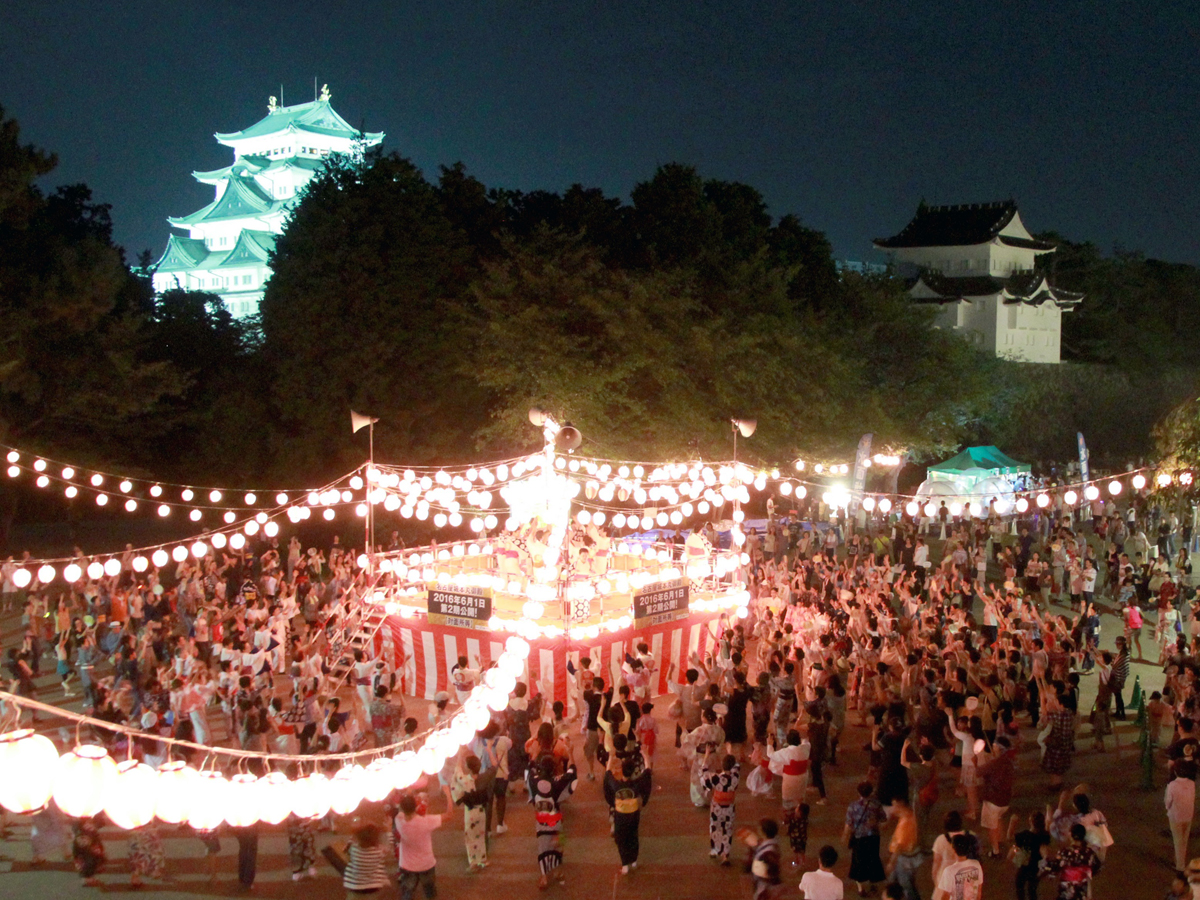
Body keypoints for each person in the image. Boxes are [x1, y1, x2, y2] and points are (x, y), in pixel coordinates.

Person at [527, 756, 578, 889]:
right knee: (559, 844)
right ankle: (557, 871)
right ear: (553, 769)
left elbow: (529, 770)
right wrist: (571, 758)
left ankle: (544, 877)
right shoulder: (557, 783)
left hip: (541, 821)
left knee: (543, 848)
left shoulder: (533, 781)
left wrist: (533, 760)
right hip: (556, 820)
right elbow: (570, 775)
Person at [604, 757, 652, 875]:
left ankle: (625, 864)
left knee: (621, 839)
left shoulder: (616, 785)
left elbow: (607, 773)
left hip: (620, 816)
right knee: (633, 836)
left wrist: (610, 757)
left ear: (622, 769)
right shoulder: (636, 784)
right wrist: (646, 755)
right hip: (634, 814)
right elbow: (647, 772)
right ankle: (634, 860)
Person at [395, 792, 442, 900]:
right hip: (426, 864)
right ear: (415, 806)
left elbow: (401, 812)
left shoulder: (399, 820)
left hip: (407, 865)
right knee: (430, 891)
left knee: (407, 892)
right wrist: (448, 795)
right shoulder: (426, 821)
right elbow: (449, 815)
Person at [843, 781, 886, 896]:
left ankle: (861, 888)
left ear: (859, 792)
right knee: (873, 859)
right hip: (873, 837)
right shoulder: (876, 804)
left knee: (858, 862)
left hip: (859, 838)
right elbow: (883, 820)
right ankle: (873, 884)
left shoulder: (853, 806)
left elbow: (849, 824)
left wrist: (845, 836)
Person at [451, 753, 489, 872]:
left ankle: (473, 862)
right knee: (481, 835)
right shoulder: (483, 779)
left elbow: (457, 774)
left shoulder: (466, 780)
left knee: (470, 837)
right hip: (482, 810)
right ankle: (482, 859)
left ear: (468, 767)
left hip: (471, 812)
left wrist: (459, 758)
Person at [701, 751, 741, 864]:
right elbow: (737, 767)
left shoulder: (716, 778)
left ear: (722, 765)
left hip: (716, 808)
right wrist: (731, 755)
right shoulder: (735, 778)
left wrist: (706, 755)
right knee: (727, 830)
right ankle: (725, 855)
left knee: (715, 827)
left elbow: (704, 771)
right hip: (729, 808)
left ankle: (716, 850)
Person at [1042, 823, 1101, 900]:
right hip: (1081, 890)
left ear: (1071, 835)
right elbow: (1096, 867)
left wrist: (1045, 858)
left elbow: (1054, 867)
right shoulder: (1089, 853)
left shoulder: (1065, 852)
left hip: (1066, 891)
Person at [885, 796, 923, 900]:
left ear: (900, 804)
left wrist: (891, 862)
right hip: (906, 858)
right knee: (894, 882)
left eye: (894, 805)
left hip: (904, 859)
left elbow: (900, 845)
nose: (893, 808)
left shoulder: (906, 822)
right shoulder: (909, 816)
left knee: (905, 886)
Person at [1009, 811, 1051, 900]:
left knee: (1019, 886)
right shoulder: (1044, 835)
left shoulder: (1024, 835)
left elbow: (1009, 837)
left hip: (1024, 866)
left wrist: (1012, 823)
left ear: (1031, 821)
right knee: (1032, 890)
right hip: (1036, 867)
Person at [343, 822, 389, 898]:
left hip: (355, 886)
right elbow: (388, 846)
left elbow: (346, 848)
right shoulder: (379, 851)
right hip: (373, 887)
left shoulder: (354, 849)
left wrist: (353, 832)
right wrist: (388, 830)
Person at [932, 832, 983, 900]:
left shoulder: (949, 871)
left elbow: (945, 896)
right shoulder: (976, 865)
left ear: (953, 850)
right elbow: (978, 891)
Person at [1167, 760, 1197, 871]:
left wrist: (1168, 809)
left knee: (1177, 840)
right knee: (1184, 840)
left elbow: (1168, 801)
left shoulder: (1172, 785)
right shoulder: (1192, 784)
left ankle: (1180, 866)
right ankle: (1179, 860)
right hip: (1188, 815)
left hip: (1176, 816)